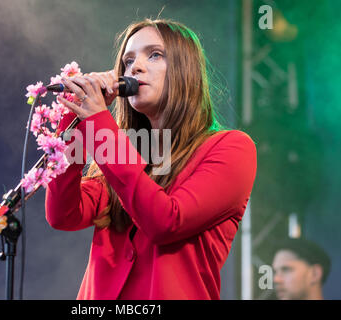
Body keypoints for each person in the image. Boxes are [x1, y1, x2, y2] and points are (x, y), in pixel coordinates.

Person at [45, 18, 257, 300]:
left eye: (154, 55)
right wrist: (74, 119)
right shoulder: (125, 151)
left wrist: (98, 124)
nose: (136, 67)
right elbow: (63, 214)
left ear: (186, 69)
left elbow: (166, 221)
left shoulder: (231, 148)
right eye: (128, 60)